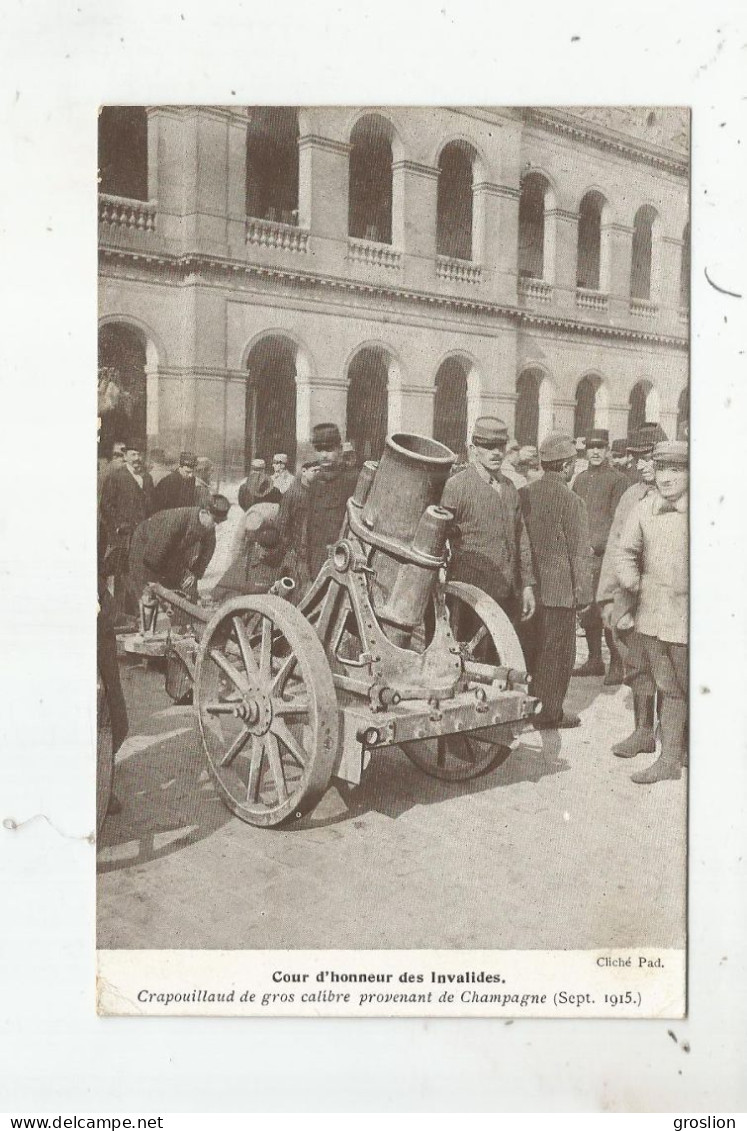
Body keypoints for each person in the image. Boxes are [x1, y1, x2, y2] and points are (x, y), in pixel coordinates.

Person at [615, 441, 688, 784]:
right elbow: (626, 552)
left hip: (692, 620)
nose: (667, 478)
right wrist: (634, 586)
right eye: (661, 469)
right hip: (654, 618)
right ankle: (669, 760)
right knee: (669, 687)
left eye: (676, 469)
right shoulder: (644, 509)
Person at [519, 432, 594, 729]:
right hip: (560, 593)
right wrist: (584, 595)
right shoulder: (572, 500)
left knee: (530, 649)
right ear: (566, 467)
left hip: (529, 592)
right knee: (558, 656)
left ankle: (525, 706)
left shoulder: (524, 494)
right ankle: (549, 713)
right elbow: (580, 552)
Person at [441, 416, 535, 624]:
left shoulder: (510, 488)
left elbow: (522, 539)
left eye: (500, 447)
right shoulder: (457, 487)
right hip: (469, 595)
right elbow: (439, 537)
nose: (496, 453)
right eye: (489, 447)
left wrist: (527, 585)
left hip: (507, 593)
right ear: (474, 449)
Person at [572, 428, 629, 682]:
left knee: (608, 610)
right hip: (583, 559)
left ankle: (617, 663)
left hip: (606, 559)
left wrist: (597, 545)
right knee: (587, 611)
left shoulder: (618, 481)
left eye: (600, 447)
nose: (595, 452)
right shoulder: (580, 479)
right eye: (591, 448)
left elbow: (621, 523)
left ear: (607, 450)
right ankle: (595, 660)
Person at [278, 422, 358, 581]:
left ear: (340, 449)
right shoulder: (315, 483)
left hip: (342, 562)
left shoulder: (352, 481)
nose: (324, 455)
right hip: (315, 562)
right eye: (320, 450)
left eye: (329, 449)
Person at [127, 494, 230, 606]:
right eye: (215, 521)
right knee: (149, 597)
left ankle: (183, 620)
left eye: (219, 522)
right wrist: (153, 584)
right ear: (205, 512)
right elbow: (153, 556)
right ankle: (144, 618)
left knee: (185, 590)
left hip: (171, 551)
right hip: (145, 545)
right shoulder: (177, 520)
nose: (216, 525)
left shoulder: (208, 526)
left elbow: (208, 551)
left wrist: (194, 573)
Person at [99, 444, 156, 618]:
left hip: (142, 534)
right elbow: (106, 506)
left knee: (138, 572)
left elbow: (151, 506)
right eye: (133, 454)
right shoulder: (116, 477)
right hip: (123, 536)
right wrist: (117, 526)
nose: (137, 458)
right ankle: (120, 614)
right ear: (126, 456)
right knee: (122, 575)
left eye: (139, 454)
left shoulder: (146, 478)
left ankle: (136, 612)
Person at [213, 520, 297, 603]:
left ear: (277, 548)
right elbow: (221, 589)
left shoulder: (286, 561)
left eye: (268, 550)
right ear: (256, 544)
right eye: (261, 547)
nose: (264, 553)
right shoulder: (246, 560)